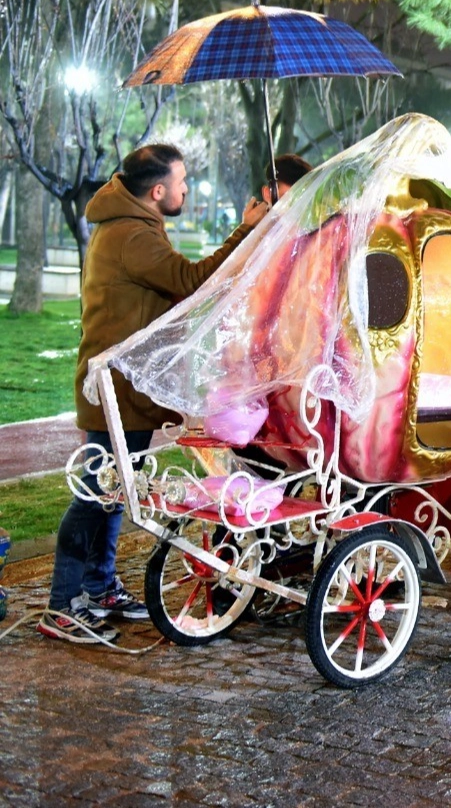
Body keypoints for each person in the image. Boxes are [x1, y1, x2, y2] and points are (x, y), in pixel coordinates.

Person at [42, 144, 269, 643]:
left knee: (113, 494)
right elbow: (190, 281)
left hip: (126, 390)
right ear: (158, 190)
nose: (187, 189)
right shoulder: (130, 235)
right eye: (182, 181)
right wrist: (247, 228)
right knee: (95, 495)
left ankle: (99, 589)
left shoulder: (135, 226)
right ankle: (61, 605)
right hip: (114, 391)